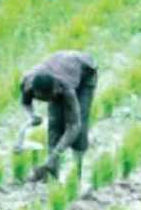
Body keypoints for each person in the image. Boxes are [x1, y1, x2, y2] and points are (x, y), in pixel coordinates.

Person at [19, 50, 97, 182]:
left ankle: (77, 173)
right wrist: (32, 115)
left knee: (80, 127)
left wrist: (56, 154)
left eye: (53, 97)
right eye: (45, 99)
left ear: (56, 89)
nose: (51, 100)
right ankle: (51, 174)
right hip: (61, 65)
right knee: (55, 124)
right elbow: (26, 103)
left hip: (86, 73)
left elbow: (74, 126)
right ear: (35, 91)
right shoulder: (27, 83)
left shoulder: (66, 89)